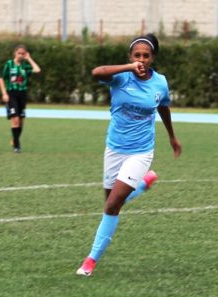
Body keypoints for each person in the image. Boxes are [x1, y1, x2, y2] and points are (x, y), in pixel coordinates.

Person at [77, 33, 182, 277]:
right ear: (130, 56)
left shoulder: (160, 83)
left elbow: (163, 106)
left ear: (153, 57)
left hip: (141, 151)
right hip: (114, 147)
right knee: (110, 203)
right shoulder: (120, 77)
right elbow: (96, 72)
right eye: (137, 55)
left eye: (146, 55)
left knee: (113, 205)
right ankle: (143, 185)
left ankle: (90, 261)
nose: (142, 59)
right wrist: (129, 67)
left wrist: (172, 136)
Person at [0, 44, 41, 153]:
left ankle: (15, 139)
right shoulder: (9, 64)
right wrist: (4, 93)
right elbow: (1, 78)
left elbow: (37, 70)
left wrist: (29, 59)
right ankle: (16, 145)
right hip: (11, 94)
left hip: (22, 94)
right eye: (19, 53)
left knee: (21, 121)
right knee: (15, 120)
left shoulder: (25, 66)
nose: (21, 55)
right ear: (15, 53)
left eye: (23, 53)